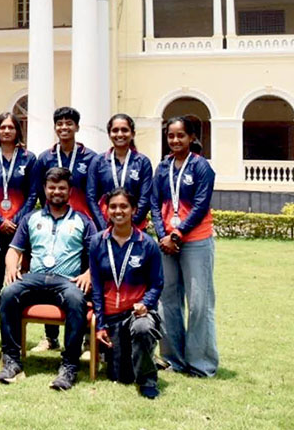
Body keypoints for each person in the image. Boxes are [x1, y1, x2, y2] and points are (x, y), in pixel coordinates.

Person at [0, 167, 96, 391]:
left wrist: (89, 273)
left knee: (76, 299)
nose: (56, 192)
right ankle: (12, 362)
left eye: (62, 188)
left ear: (70, 191)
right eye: (52, 187)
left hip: (66, 280)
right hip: (35, 278)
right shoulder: (31, 218)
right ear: (45, 189)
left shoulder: (83, 220)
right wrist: (11, 267)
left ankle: (69, 366)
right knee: (9, 293)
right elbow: (14, 250)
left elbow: (96, 256)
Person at [151, 116, 218, 378]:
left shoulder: (202, 167)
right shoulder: (163, 167)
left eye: (180, 135)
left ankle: (201, 363)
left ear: (192, 138)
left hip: (195, 241)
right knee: (167, 301)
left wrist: (177, 235)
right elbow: (154, 204)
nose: (175, 140)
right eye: (171, 135)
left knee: (199, 303)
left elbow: (201, 205)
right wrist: (162, 234)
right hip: (166, 243)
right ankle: (173, 359)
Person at [30, 106, 97, 353]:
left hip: (81, 226)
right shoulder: (45, 158)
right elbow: (39, 191)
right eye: (60, 123)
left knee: (82, 282)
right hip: (53, 225)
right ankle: (50, 337)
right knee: (51, 273)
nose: (64, 127)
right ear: (55, 127)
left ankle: (85, 338)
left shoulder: (90, 158)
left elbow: (93, 192)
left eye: (69, 123)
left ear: (77, 127)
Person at [90, 188, 164, 399]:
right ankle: (144, 356)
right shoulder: (97, 242)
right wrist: (101, 324)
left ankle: (148, 381)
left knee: (143, 327)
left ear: (134, 210)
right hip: (112, 316)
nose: (118, 211)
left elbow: (157, 284)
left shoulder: (147, 244)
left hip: (137, 313)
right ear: (107, 210)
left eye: (124, 206)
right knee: (120, 376)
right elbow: (96, 287)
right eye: (113, 206)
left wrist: (146, 304)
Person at [0, 112, 37, 345]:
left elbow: (33, 193)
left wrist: (16, 219)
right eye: (2, 127)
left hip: (19, 230)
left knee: (16, 278)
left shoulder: (28, 158)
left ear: (17, 131)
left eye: (11, 127)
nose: (6, 131)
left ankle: (14, 333)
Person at [86, 114, 153, 232]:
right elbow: (91, 197)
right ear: (109, 134)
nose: (120, 134)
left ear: (132, 134)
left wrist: (130, 224)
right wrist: (103, 225)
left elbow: (145, 197)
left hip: (135, 228)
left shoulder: (143, 162)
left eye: (125, 130)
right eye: (115, 130)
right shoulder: (98, 161)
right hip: (105, 227)